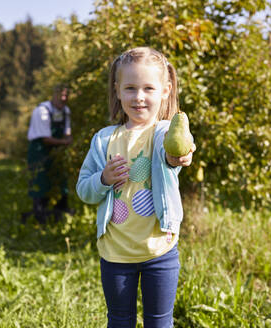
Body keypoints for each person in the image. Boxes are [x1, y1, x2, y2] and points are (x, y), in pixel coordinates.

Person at [76, 47, 196, 327]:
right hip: (116, 253)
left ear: (165, 91)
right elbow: (84, 189)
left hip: (159, 250)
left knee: (159, 321)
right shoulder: (103, 141)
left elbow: (177, 153)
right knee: (119, 320)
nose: (139, 97)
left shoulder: (165, 133)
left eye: (148, 88)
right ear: (117, 91)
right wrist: (103, 179)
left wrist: (180, 155)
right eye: (130, 88)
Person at [26, 85, 73, 224]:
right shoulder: (42, 111)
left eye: (66, 95)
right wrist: (65, 142)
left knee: (60, 178)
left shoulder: (66, 111)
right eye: (61, 95)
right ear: (54, 95)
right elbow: (45, 139)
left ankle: (60, 212)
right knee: (40, 181)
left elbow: (67, 132)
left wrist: (68, 139)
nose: (63, 98)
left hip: (56, 151)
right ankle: (39, 215)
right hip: (39, 150)